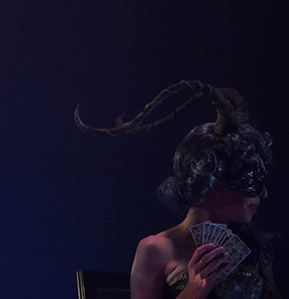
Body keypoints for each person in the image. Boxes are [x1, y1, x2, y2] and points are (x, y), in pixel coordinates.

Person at [75, 81, 282, 299]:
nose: (263, 193)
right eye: (250, 180)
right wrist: (193, 291)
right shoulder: (156, 249)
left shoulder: (253, 249)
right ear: (212, 181)